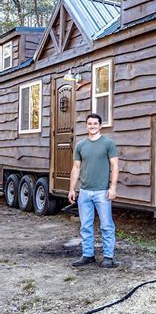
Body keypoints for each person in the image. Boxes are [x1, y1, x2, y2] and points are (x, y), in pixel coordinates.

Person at [68, 113, 119, 268]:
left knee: (106, 225)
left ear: (100, 126)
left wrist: (113, 187)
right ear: (86, 126)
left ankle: (108, 257)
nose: (92, 126)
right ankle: (88, 255)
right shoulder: (81, 145)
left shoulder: (108, 144)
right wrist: (72, 189)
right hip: (84, 192)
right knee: (85, 225)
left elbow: (115, 166)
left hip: (102, 192)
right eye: (89, 124)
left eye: (95, 124)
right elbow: (76, 168)